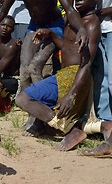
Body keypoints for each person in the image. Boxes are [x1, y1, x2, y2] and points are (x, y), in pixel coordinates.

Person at [15, 0, 100, 151]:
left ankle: (71, 129)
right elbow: (67, 48)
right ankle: (62, 126)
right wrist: (52, 34)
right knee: (44, 121)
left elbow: (86, 64)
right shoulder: (73, 19)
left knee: (22, 99)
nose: (78, 0)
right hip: (64, 74)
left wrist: (71, 95)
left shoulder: (91, 24)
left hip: (73, 76)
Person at [0, 15, 21, 95]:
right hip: (2, 76)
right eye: (3, 25)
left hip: (13, 80)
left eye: (8, 26)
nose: (5, 28)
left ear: (13, 30)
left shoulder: (12, 45)